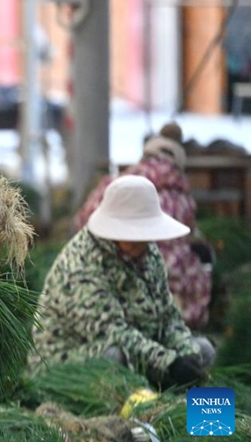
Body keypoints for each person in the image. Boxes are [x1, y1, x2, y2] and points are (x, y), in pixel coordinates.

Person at [33, 175, 215, 392]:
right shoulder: (82, 264)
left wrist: (187, 354)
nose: (143, 243)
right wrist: (169, 363)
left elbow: (167, 316)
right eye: (134, 235)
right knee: (114, 356)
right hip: (70, 360)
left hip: (141, 351)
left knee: (203, 351)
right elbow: (113, 332)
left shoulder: (147, 253)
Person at [74, 122, 211, 329]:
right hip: (169, 283)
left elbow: (82, 221)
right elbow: (189, 236)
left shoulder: (116, 184)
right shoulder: (182, 199)